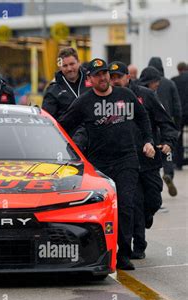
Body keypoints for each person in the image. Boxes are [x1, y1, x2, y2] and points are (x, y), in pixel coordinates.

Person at [59, 58, 155, 271]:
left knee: (126, 205)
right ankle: (97, 250)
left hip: (126, 160)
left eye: (105, 73)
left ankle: (124, 253)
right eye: (97, 75)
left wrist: (148, 141)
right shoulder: (84, 102)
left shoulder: (126, 95)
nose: (103, 77)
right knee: (99, 208)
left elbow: (143, 118)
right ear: (90, 79)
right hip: (98, 164)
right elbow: (63, 126)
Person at [109, 61, 178, 259]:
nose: (115, 81)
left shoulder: (145, 95)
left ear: (127, 77)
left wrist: (168, 142)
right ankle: (137, 245)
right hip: (125, 163)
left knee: (153, 200)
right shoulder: (107, 100)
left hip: (149, 160)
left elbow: (166, 122)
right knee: (134, 203)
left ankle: (147, 217)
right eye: (112, 78)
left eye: (118, 77)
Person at [148, 57, 182, 197]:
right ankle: (168, 173)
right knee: (167, 150)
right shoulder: (169, 83)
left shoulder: (146, 84)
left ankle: (154, 181)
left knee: (154, 152)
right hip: (166, 124)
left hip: (152, 125)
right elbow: (176, 106)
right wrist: (176, 126)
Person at [42, 47, 91, 121]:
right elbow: (47, 119)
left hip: (93, 130)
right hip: (68, 132)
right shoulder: (53, 90)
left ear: (79, 62)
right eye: (65, 66)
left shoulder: (92, 80)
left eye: (72, 64)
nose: (69, 69)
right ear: (60, 67)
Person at [171, 61, 188, 170]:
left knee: (178, 137)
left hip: (180, 113)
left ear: (178, 69)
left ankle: (179, 162)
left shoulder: (173, 80)